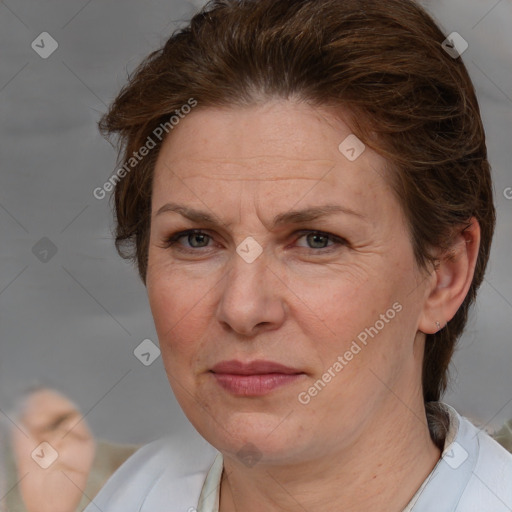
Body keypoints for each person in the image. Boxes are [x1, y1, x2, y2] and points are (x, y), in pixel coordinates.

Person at [80, 0, 512, 510]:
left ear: (444, 275)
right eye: (196, 239)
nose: (242, 309)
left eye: (316, 239)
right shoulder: (135, 493)